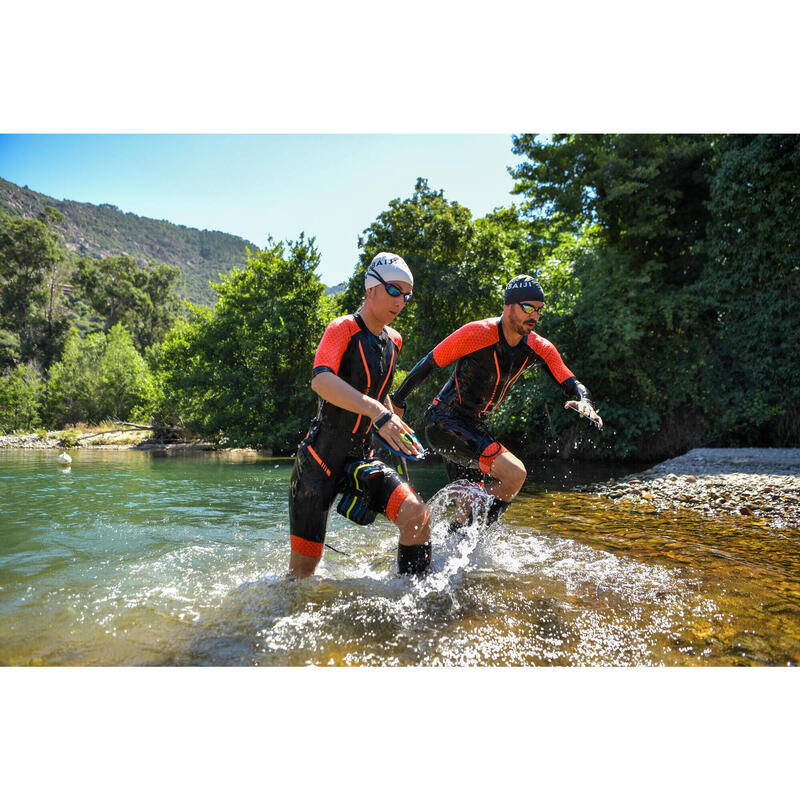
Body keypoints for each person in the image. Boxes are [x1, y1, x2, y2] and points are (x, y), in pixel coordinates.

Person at [390, 274, 603, 530]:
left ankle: (445, 548)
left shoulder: (539, 347)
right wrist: (397, 401)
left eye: (538, 310)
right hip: (444, 422)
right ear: (508, 306)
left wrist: (585, 400)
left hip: (475, 429)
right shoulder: (478, 333)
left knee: (468, 507)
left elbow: (570, 381)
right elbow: (429, 363)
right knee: (515, 474)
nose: (534, 315)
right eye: (527, 308)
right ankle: (465, 538)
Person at [288, 253, 431, 578]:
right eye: (394, 290)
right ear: (371, 289)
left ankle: (414, 603)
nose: (401, 301)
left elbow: (375, 391)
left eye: (407, 294)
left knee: (418, 517)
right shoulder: (342, 328)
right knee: (302, 574)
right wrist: (378, 411)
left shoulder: (394, 340)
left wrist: (394, 422)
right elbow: (321, 380)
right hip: (318, 464)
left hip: (358, 459)